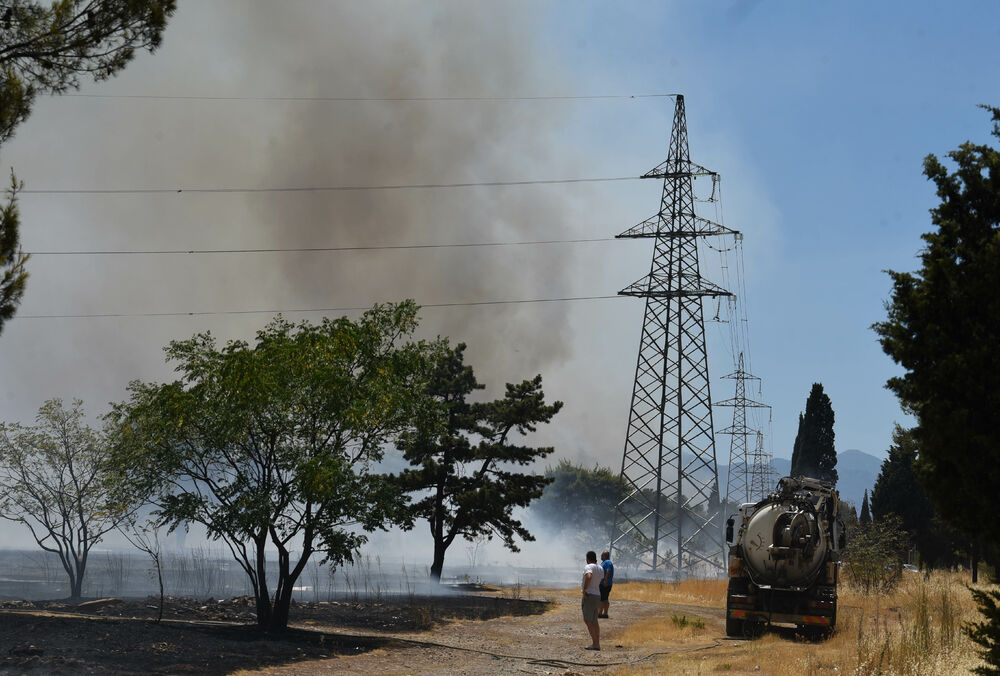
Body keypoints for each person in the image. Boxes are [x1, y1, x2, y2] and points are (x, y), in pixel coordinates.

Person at [581, 550, 602, 650]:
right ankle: (597, 643)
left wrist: (585, 589)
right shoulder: (600, 568)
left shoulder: (589, 567)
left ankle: (595, 644)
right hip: (597, 595)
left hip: (589, 596)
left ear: (588, 559)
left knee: (587, 620)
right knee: (594, 620)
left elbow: (589, 576)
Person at [598, 550, 614, 618]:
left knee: (602, 599)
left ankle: (600, 613)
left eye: (602, 555)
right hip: (603, 583)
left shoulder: (608, 562)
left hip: (604, 584)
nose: (601, 556)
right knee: (604, 599)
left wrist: (605, 581)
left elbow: (608, 571)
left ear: (605, 555)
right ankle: (604, 613)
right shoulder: (605, 562)